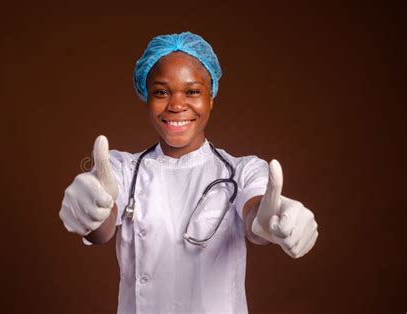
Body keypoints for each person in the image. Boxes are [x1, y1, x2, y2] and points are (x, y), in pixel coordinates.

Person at [59, 32, 318, 313]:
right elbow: (101, 229)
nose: (177, 105)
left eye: (192, 91)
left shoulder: (242, 171)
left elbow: (256, 215)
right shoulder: (123, 169)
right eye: (161, 92)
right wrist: (90, 212)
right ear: (147, 98)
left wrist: (271, 220)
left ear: (211, 98)